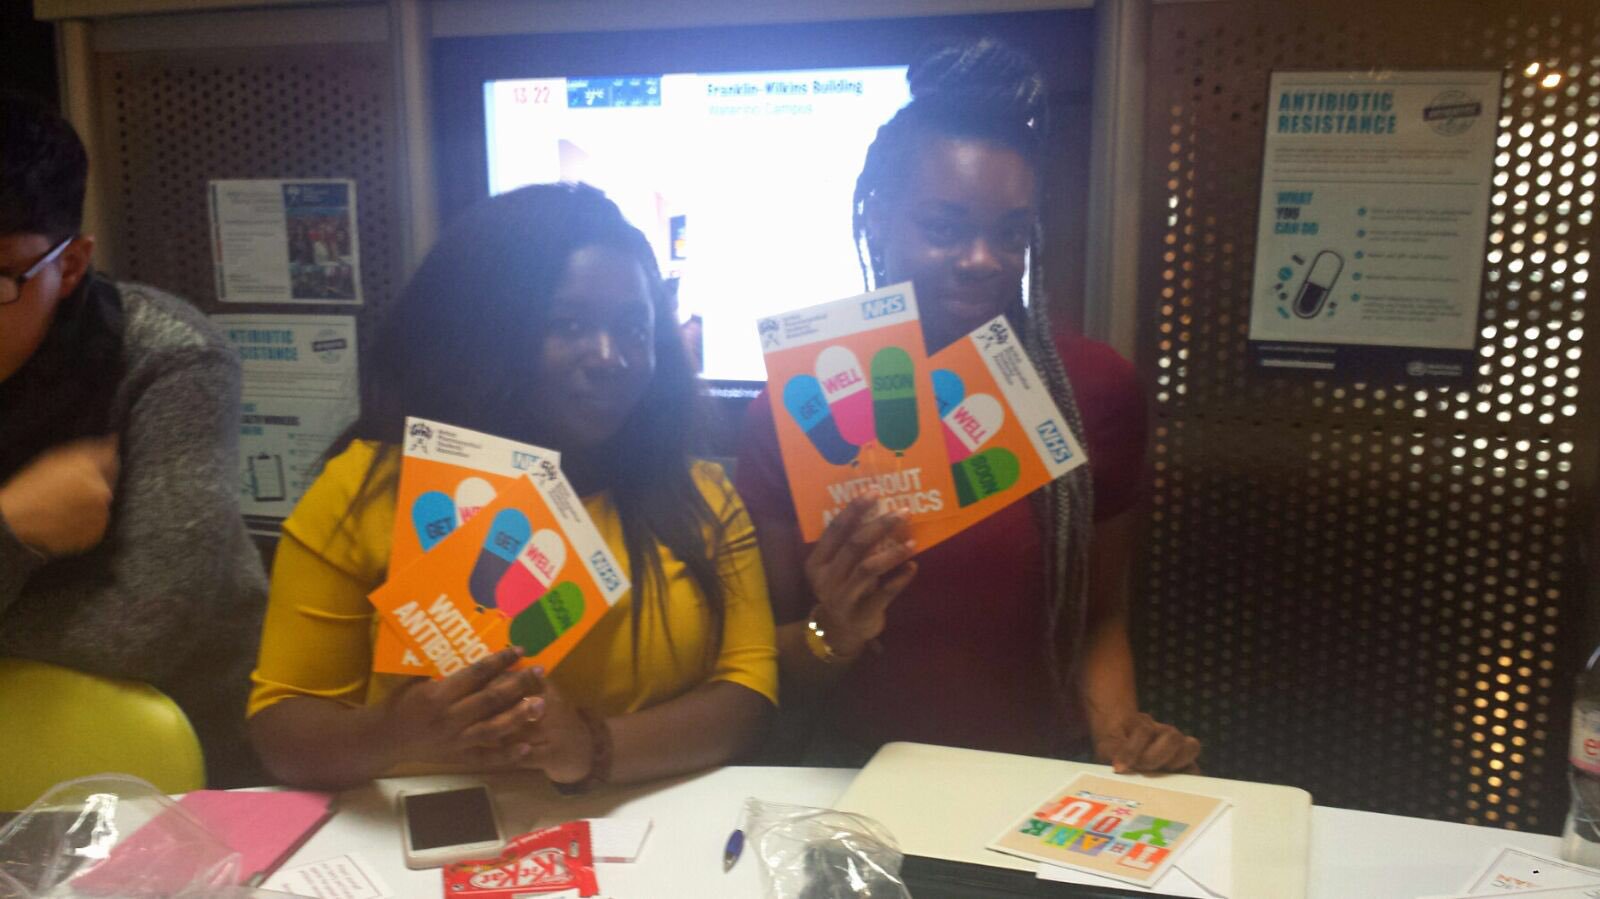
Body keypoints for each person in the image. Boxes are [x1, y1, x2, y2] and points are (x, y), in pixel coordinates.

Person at [735, 40, 1201, 772]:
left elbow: (1099, 615)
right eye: (944, 227)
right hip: (857, 778)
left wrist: (1122, 739)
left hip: (1039, 780)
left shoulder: (1093, 390)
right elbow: (769, 667)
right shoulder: (794, 411)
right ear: (878, 219)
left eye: (1010, 233)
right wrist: (837, 629)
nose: (983, 259)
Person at [248, 183, 777, 790]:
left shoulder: (700, 496)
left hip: (644, 829)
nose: (610, 356)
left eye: (635, 328)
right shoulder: (368, 489)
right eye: (568, 324)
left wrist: (590, 747)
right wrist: (396, 733)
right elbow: (281, 729)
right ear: (486, 334)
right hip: (424, 835)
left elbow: (748, 697)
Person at [0, 91, 266, 785]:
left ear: (72, 264)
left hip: (196, 750)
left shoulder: (168, 358)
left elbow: (149, 628)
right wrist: (13, 526)